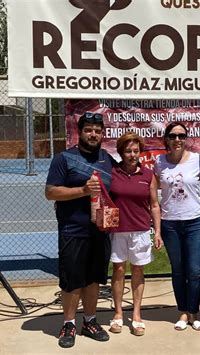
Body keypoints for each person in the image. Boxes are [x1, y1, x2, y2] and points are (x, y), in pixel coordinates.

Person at [45, 112, 115, 348]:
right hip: (73, 229)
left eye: (97, 130)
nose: (93, 134)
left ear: (102, 134)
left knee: (94, 278)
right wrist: (82, 191)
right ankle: (68, 323)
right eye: (88, 130)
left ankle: (90, 321)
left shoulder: (107, 158)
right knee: (72, 281)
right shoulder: (64, 158)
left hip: (100, 230)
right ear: (80, 132)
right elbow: (51, 192)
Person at [153, 122, 200, 331]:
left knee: (194, 270)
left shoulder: (197, 160)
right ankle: (183, 313)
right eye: (173, 135)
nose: (177, 139)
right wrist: (157, 229)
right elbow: (152, 197)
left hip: (195, 222)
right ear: (166, 139)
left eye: (181, 136)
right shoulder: (159, 162)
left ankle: (194, 313)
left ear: (186, 138)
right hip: (170, 224)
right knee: (178, 270)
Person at [108, 132, 163, 336]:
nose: (132, 154)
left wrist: (157, 231)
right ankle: (118, 314)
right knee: (119, 270)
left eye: (135, 151)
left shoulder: (148, 175)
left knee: (138, 271)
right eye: (128, 151)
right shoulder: (112, 172)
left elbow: (155, 205)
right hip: (118, 230)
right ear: (121, 152)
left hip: (141, 230)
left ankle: (137, 314)